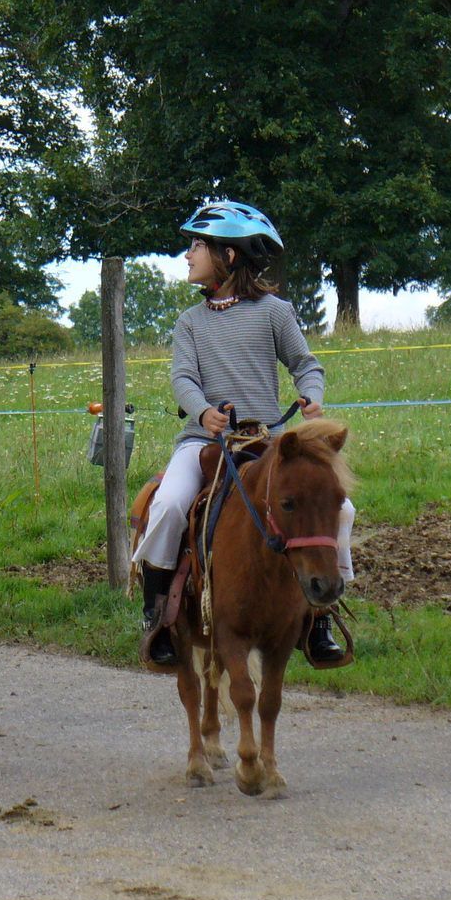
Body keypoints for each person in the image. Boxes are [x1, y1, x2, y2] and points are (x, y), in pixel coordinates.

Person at [131, 201, 356, 667]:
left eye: (197, 245)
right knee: (170, 505)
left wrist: (310, 395)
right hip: (202, 443)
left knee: (343, 508)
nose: (187, 255)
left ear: (228, 256)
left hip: (267, 444)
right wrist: (204, 411)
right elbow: (183, 379)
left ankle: (321, 618)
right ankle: (158, 616)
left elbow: (305, 364)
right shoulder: (189, 323)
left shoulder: (275, 312)